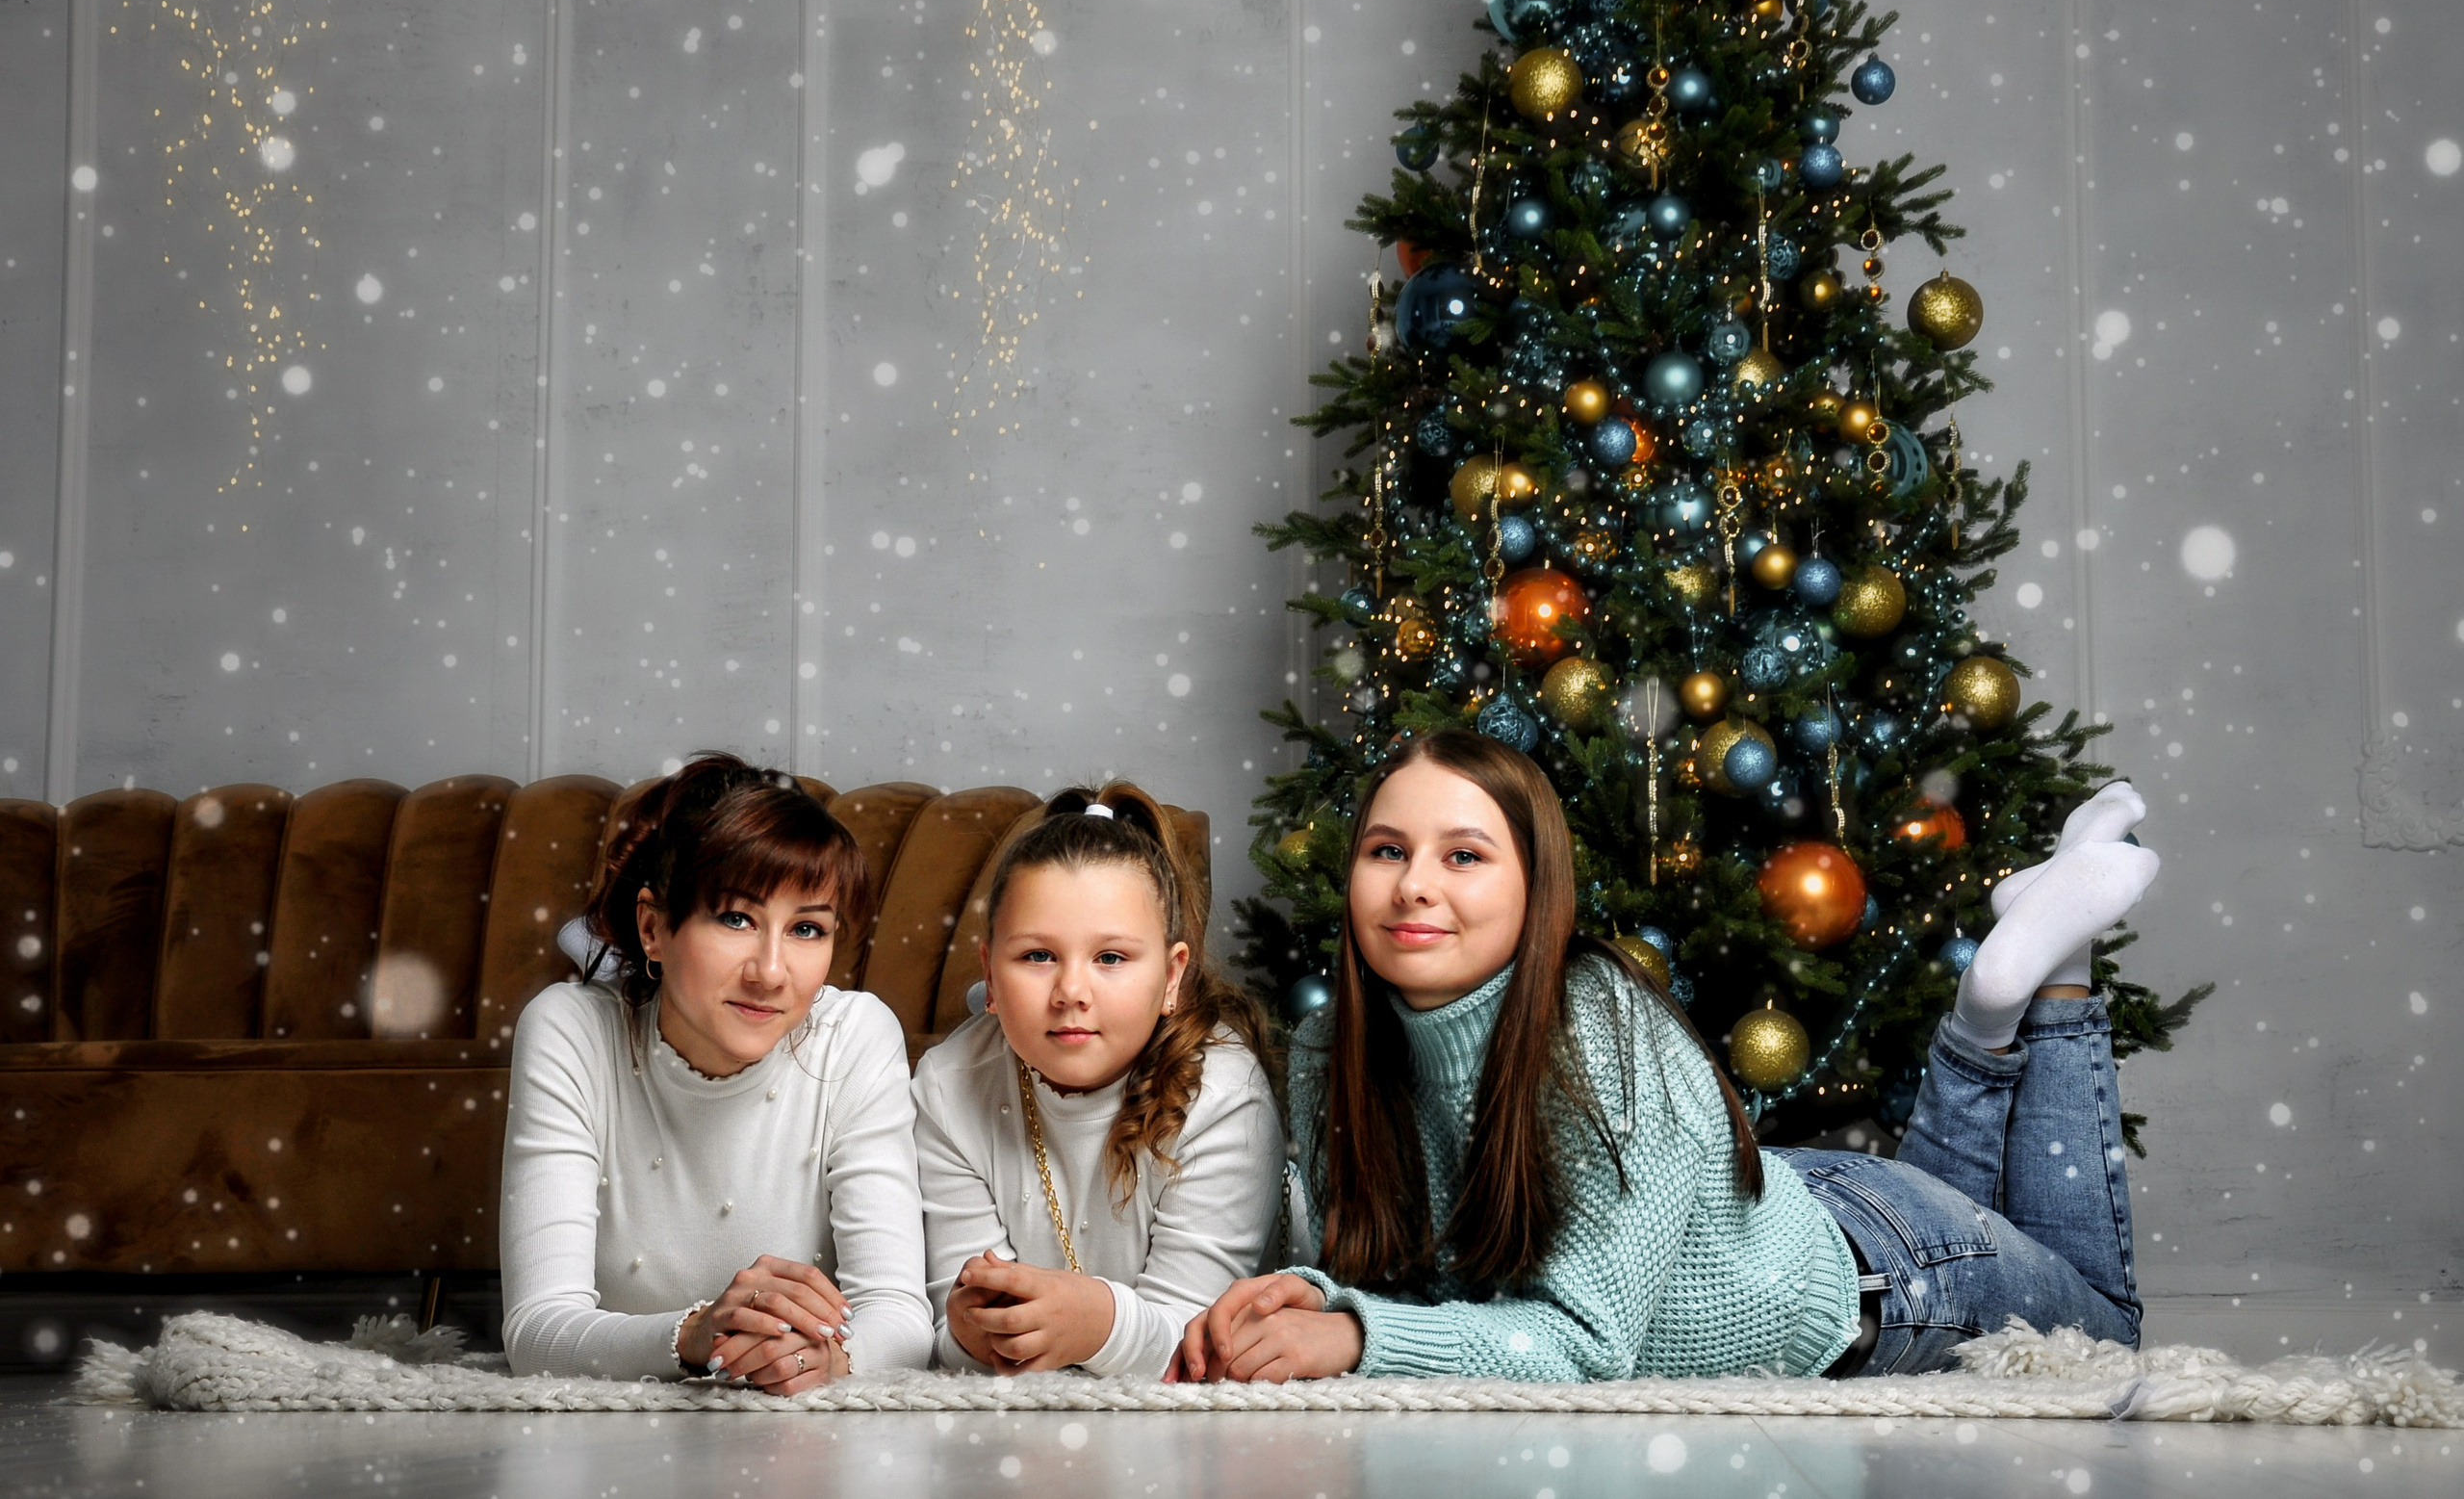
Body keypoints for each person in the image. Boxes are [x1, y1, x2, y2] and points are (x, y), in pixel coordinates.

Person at [1177, 729, 2159, 1383]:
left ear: (1536, 886)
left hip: (1879, 1273)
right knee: (1979, 1214)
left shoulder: (1596, 1029)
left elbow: (1586, 1346)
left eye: (1464, 854)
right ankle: (1998, 1002)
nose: (1412, 885)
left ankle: (2045, 978)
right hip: (1765, 1202)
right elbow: (1423, 1277)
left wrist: (1353, 1335)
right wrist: (1315, 1291)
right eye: (1385, 850)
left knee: (2104, 1331)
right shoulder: (1326, 1044)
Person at [500, 753, 933, 1390]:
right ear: (653, 927)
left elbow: (900, 1316)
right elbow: (537, 1333)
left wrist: (826, 1359)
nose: (772, 971)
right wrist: (697, 1335)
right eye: (736, 918)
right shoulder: (572, 1030)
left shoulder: (855, 1035)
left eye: (808, 929)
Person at [911, 786, 1281, 1378]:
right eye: (1037, 956)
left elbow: (1198, 1345)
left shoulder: (1224, 1097)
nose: (1071, 993)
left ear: (1171, 976)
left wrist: (1100, 1325)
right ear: (989, 972)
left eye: (1110, 958)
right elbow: (949, 1331)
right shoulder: (948, 1088)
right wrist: (971, 1331)